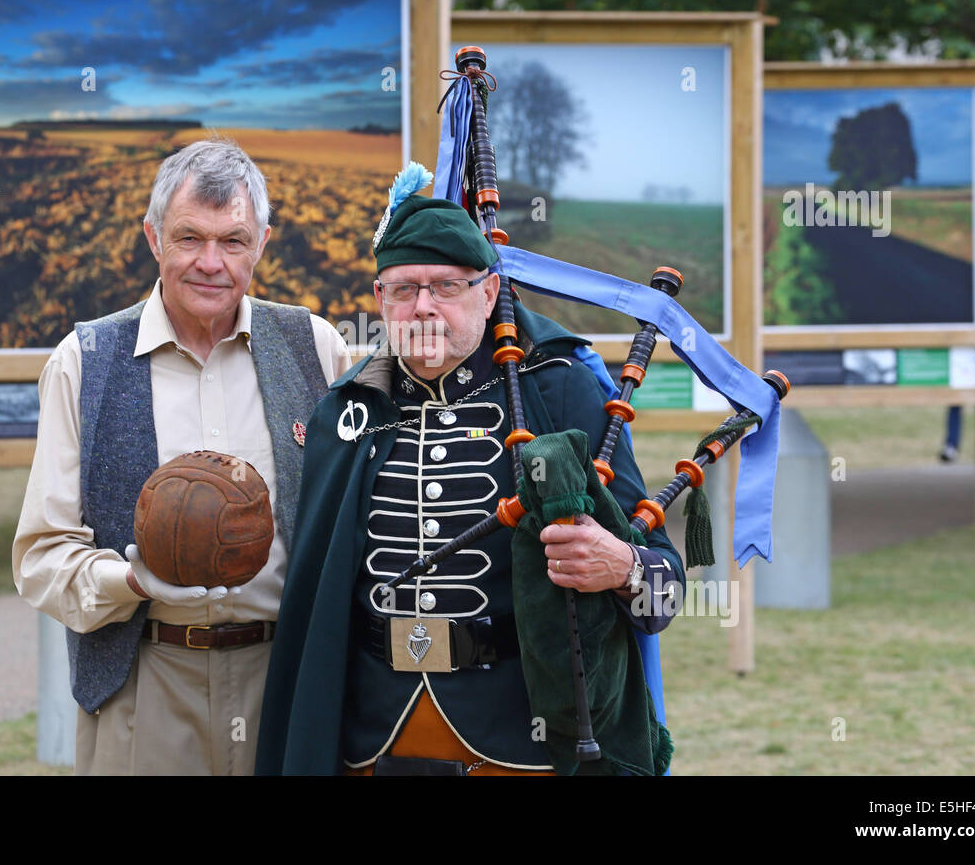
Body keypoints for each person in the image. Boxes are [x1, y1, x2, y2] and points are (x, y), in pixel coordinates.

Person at [256, 182, 684, 776]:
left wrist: (622, 566)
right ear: (380, 299)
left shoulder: (558, 391)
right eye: (405, 289)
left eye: (447, 287)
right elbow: (316, 599)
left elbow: (665, 590)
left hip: (521, 741)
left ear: (488, 295)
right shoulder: (345, 412)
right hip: (375, 740)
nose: (424, 307)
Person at [13, 138, 351, 775]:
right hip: (143, 679)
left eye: (234, 241)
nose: (211, 263)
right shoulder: (84, 363)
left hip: (285, 678)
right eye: (189, 238)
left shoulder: (315, 348)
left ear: (263, 244)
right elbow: (41, 556)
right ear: (152, 238)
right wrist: (133, 580)